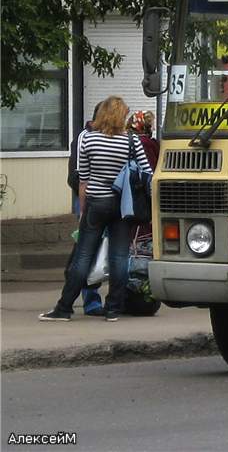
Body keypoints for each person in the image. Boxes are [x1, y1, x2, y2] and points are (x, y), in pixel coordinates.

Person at [39, 96, 152, 322]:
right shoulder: (131, 141)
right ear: (121, 116)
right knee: (120, 257)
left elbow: (83, 180)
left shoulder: (89, 140)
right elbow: (147, 172)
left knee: (83, 257)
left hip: (96, 203)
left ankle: (64, 308)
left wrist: (83, 210)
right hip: (123, 206)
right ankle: (113, 309)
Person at [67, 103, 104, 316]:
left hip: (106, 202)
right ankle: (90, 300)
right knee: (87, 251)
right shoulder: (84, 138)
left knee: (99, 250)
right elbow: (76, 175)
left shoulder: (115, 138)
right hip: (88, 200)